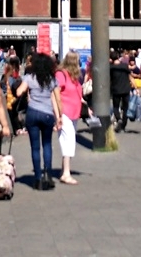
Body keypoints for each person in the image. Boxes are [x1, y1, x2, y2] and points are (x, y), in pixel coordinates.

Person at [16, 53, 63, 190]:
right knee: (47, 144)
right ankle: (47, 175)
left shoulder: (29, 78)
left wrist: (27, 91)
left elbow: (19, 92)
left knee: (35, 147)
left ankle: (37, 178)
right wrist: (59, 116)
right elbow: (57, 100)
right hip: (48, 114)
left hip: (32, 114)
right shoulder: (52, 80)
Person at [55, 52, 83, 185]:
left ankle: (64, 170)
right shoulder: (61, 74)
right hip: (64, 112)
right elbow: (56, 93)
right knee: (69, 140)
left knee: (69, 140)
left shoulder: (74, 77)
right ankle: (66, 173)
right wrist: (58, 114)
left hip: (74, 112)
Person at [109, 54, 132, 132]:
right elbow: (130, 76)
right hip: (126, 89)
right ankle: (124, 124)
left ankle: (119, 119)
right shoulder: (125, 66)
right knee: (125, 108)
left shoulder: (111, 68)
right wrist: (135, 87)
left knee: (116, 106)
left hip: (116, 90)